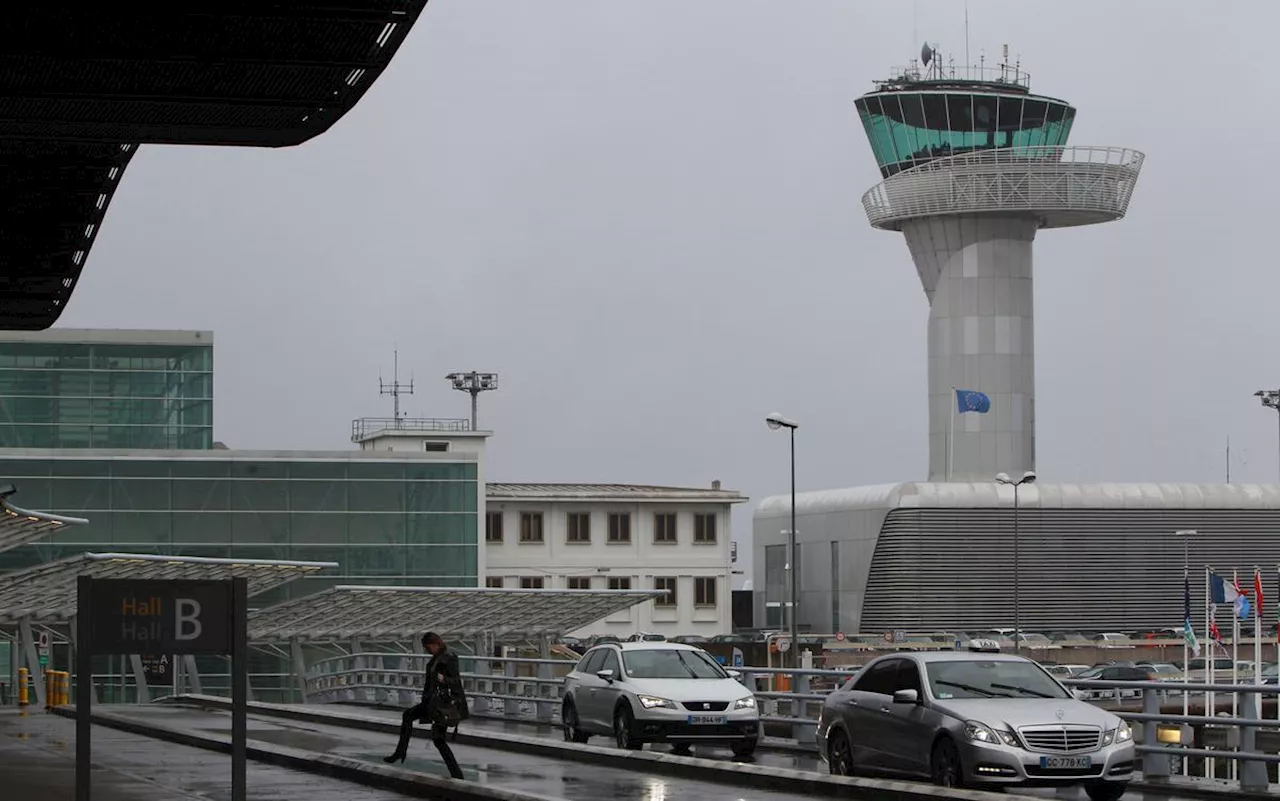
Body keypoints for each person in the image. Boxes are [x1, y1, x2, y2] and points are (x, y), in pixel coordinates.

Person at [384, 631, 469, 779]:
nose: (427, 650)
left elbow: (456, 682)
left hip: (444, 704)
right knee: (408, 715)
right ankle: (400, 752)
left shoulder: (449, 657)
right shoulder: (437, 657)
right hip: (432, 703)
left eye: (428, 647)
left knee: (438, 739)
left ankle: (457, 774)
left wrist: (444, 680)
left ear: (436, 644)